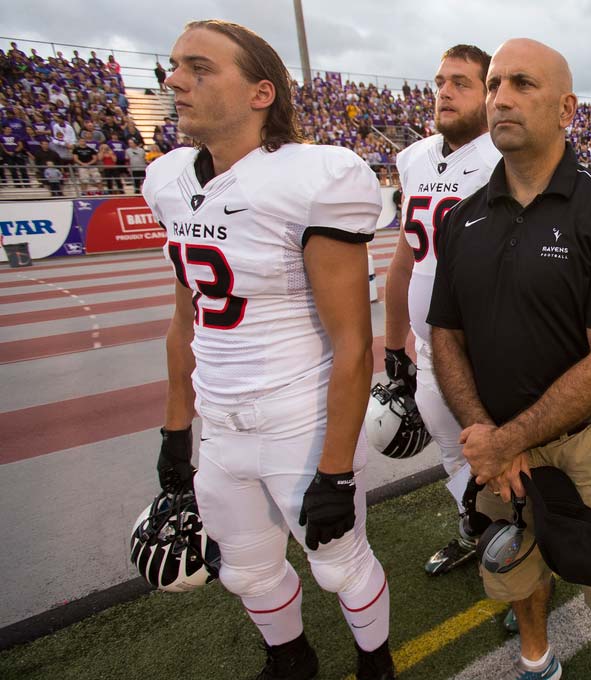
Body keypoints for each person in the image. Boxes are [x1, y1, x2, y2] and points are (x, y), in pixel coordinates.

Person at [145, 20, 395, 680]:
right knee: (248, 570)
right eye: (173, 66)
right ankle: (291, 656)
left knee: (340, 564)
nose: (174, 81)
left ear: (261, 93)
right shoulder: (168, 180)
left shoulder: (315, 176)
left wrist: (336, 469)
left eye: (198, 68)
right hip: (222, 424)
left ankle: (377, 661)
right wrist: (177, 429)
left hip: (302, 419)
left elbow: (353, 341)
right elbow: (183, 320)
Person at [428, 38, 591, 680]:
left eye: (522, 84)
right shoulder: (462, 219)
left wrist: (504, 440)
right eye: (495, 84)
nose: (501, 97)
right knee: (514, 567)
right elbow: (446, 335)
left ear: (567, 108)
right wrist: (487, 434)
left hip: (584, 445)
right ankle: (537, 660)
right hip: (493, 444)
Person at [385, 43, 501, 577]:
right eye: (439, 82)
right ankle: (476, 530)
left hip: (487, 347)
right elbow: (405, 260)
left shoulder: (504, 159)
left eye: (460, 82)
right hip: (430, 346)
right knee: (452, 453)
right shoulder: (413, 159)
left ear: (488, 92)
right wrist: (392, 346)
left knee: (499, 455)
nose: (445, 92)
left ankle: (520, 555)